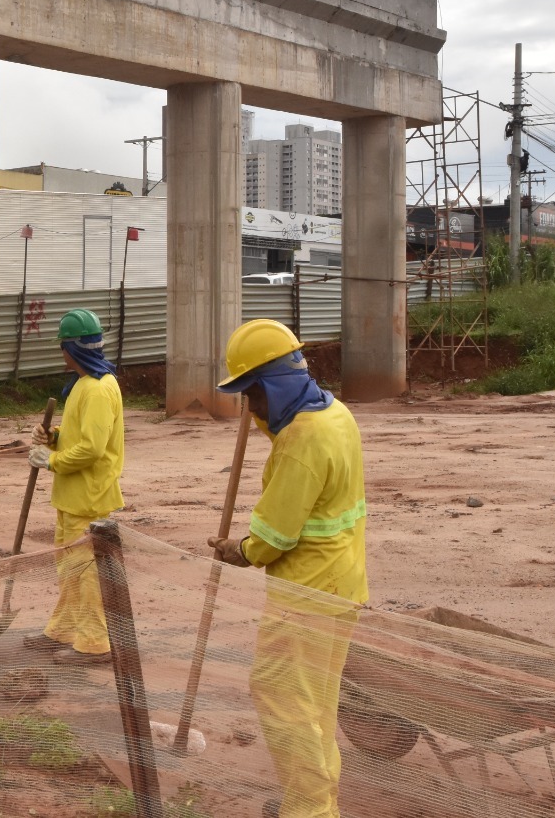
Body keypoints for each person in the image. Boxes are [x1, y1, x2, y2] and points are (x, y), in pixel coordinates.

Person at [207, 319, 367, 818]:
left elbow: (274, 537)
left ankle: (309, 810)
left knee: (278, 694)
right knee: (315, 703)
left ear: (272, 387)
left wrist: (239, 549)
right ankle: (314, 802)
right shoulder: (334, 413)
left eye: (251, 394)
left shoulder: (301, 440)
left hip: (306, 594)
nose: (248, 407)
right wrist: (265, 418)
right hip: (341, 583)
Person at [22, 308, 124, 666]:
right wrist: (53, 437)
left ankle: (94, 644)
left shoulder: (97, 389)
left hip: (89, 496)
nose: (60, 354)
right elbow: (80, 436)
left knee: (87, 572)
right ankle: (64, 629)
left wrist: (50, 461)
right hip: (72, 495)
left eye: (62, 347)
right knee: (68, 567)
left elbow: (94, 448)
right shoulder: (83, 384)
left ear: (73, 348)